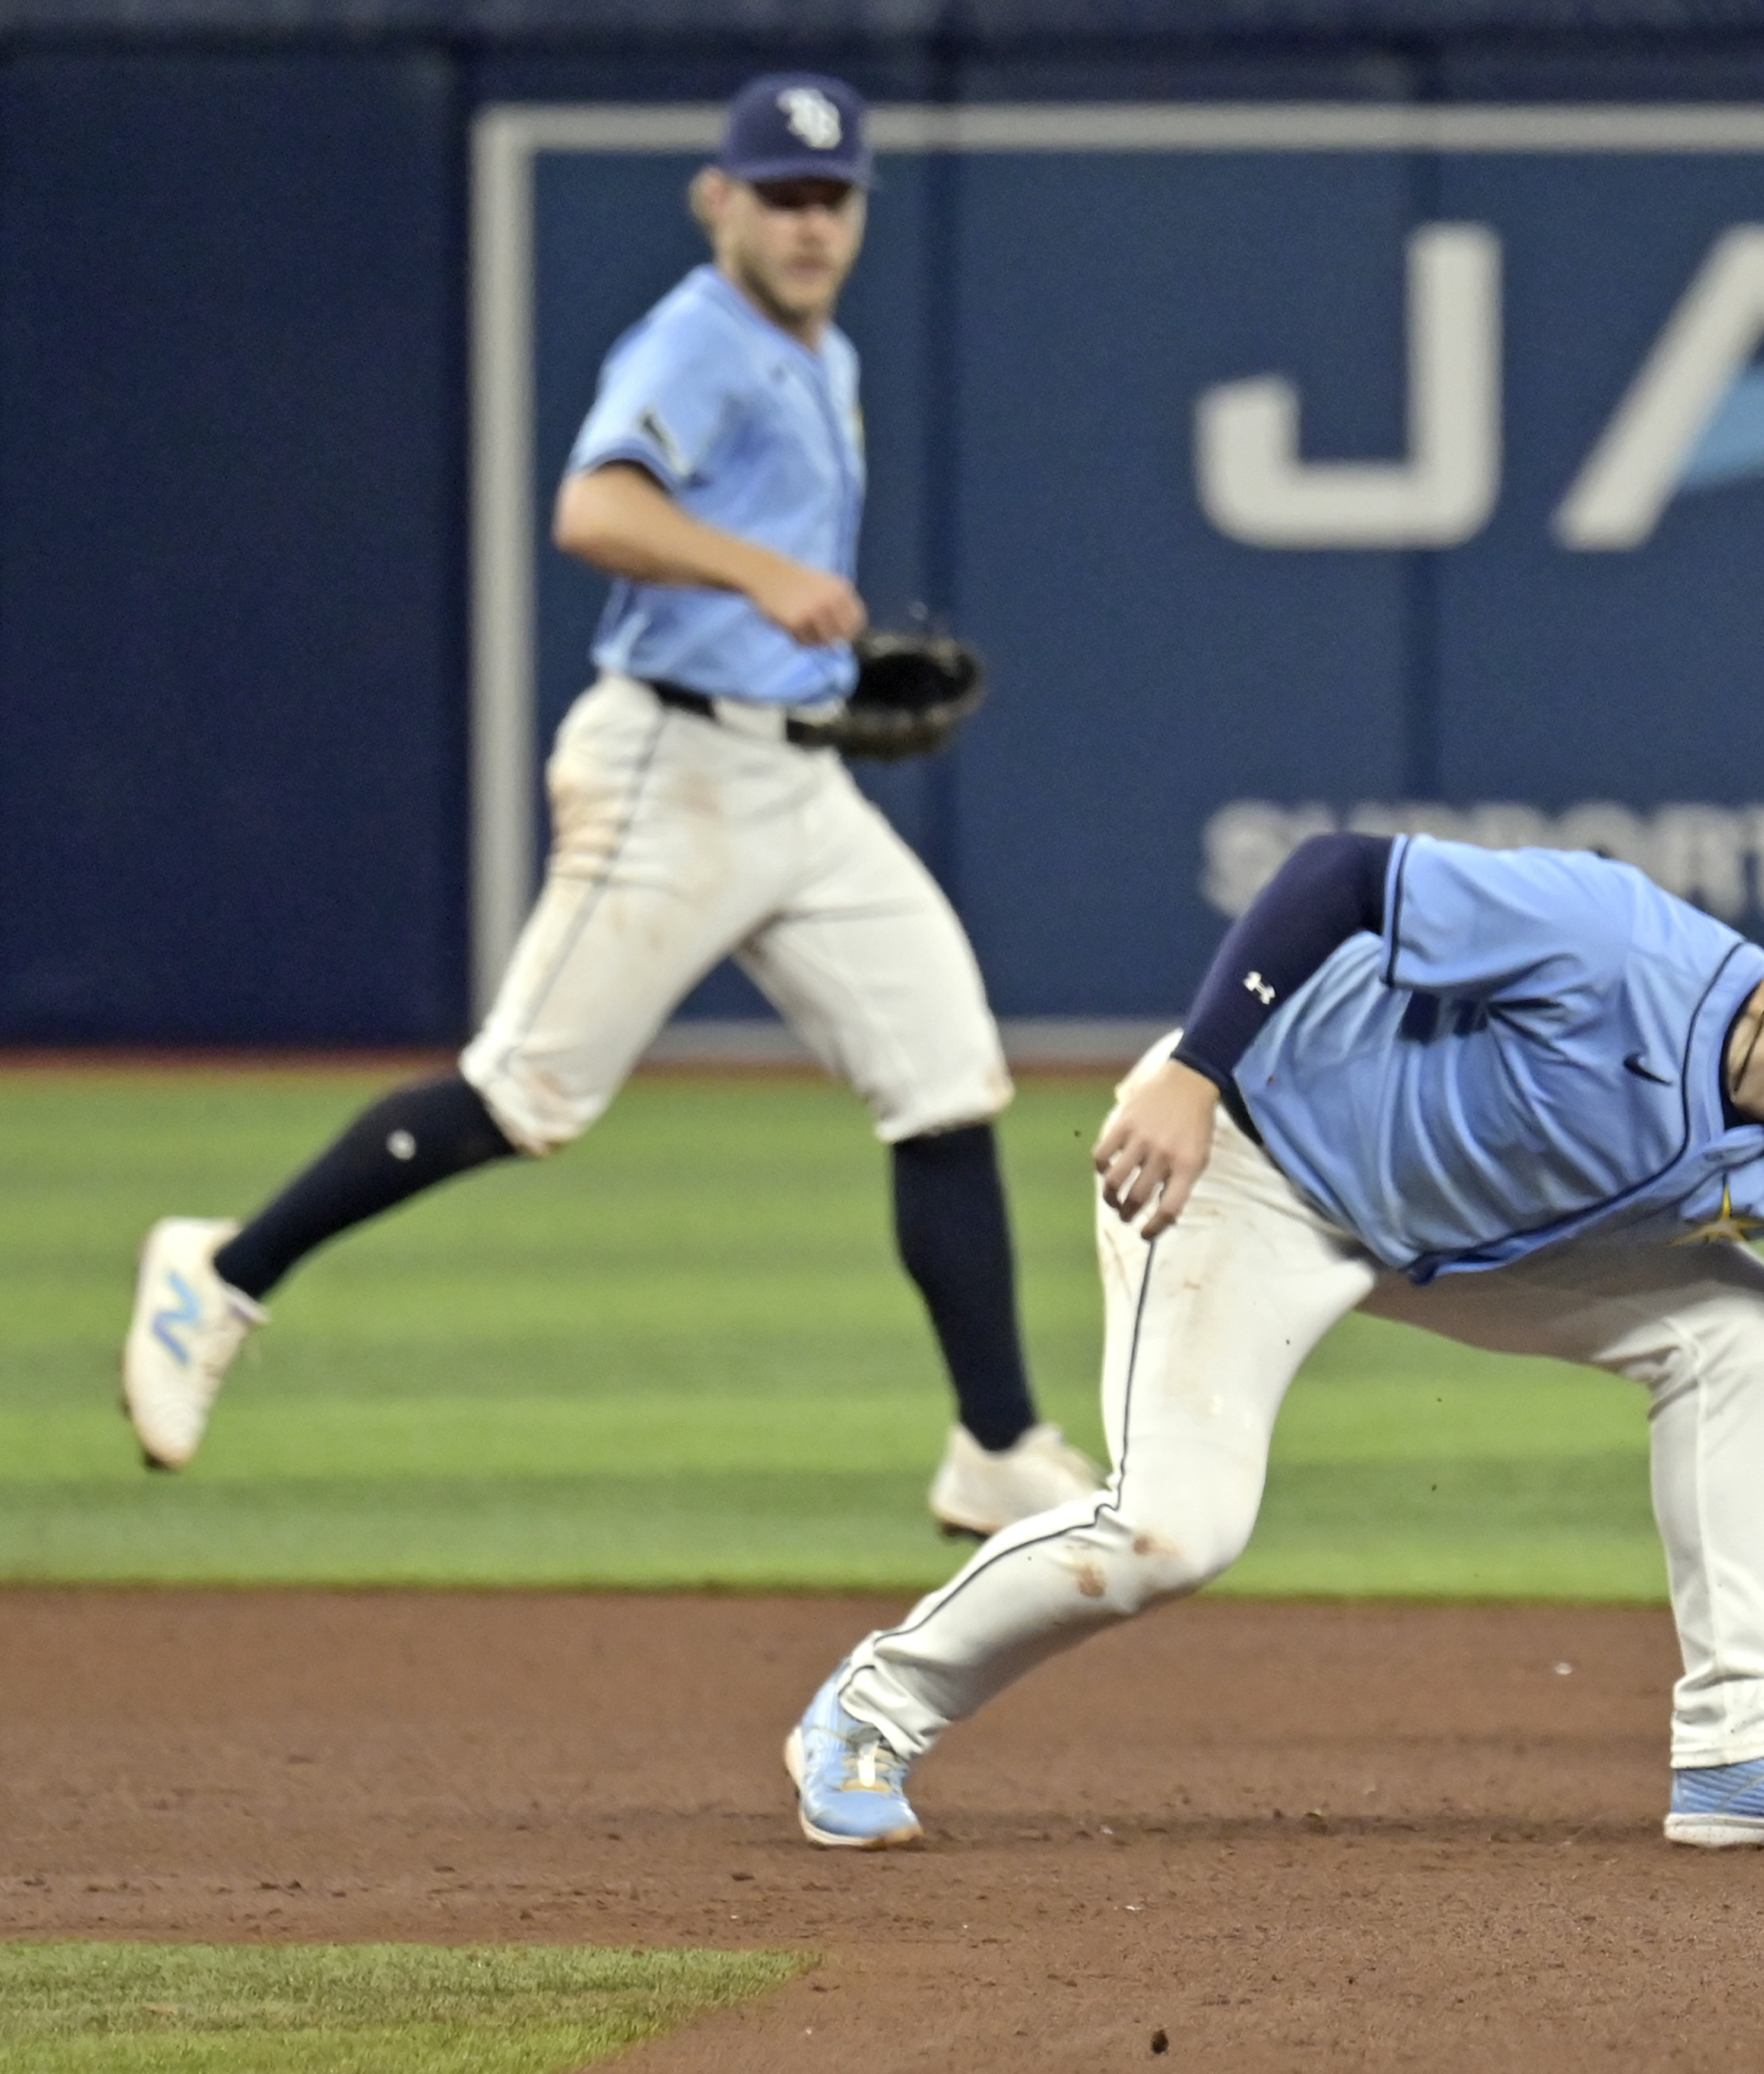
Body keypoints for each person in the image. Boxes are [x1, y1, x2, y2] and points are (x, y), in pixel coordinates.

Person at [782, 834, 1764, 1853]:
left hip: (1436, 1241)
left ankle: (1738, 1748)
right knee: (1173, 1529)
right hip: (1244, 1166)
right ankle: (870, 1709)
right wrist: (1198, 1072)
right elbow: (1338, 874)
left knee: (1730, 1323)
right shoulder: (1611, 944)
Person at [113, 75, 1099, 1539]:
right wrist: (758, 578)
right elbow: (597, 509)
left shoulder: (811, 350)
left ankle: (997, 1443)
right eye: (781, 195)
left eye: (832, 199)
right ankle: (224, 1271)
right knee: (524, 1095)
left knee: (947, 1081)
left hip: (789, 774)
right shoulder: (698, 340)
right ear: (719, 199)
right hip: (670, 772)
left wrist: (793, 652)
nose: (810, 223)